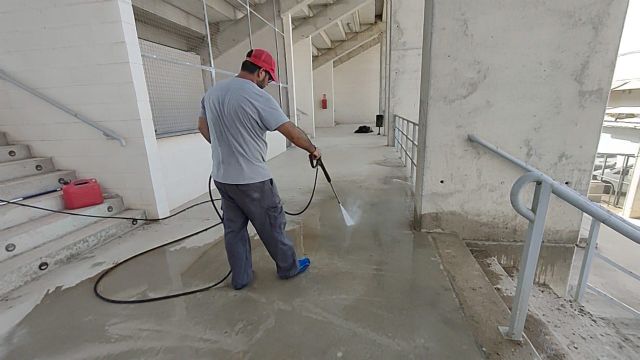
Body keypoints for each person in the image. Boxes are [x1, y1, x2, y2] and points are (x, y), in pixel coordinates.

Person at [198, 48, 321, 290]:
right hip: (252, 180)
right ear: (261, 72)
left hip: (223, 177)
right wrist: (312, 149)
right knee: (273, 225)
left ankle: (241, 278)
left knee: (234, 230)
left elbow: (202, 126)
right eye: (269, 78)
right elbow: (291, 132)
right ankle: (289, 267)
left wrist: (225, 146)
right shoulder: (256, 95)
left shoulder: (212, 93)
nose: (268, 83)